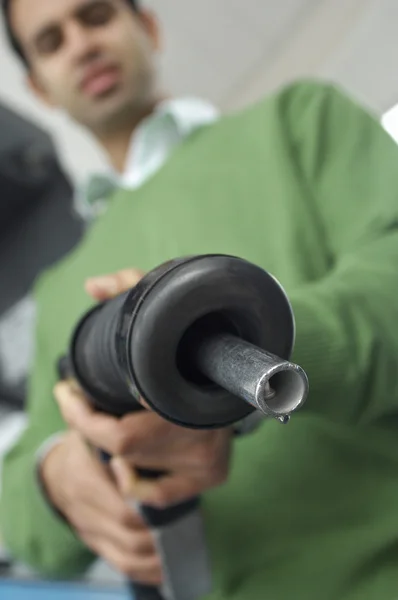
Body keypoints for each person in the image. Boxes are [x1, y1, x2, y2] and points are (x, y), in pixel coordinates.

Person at [2, 0, 398, 598]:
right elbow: (20, 516)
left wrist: (225, 377)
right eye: (52, 41)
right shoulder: (61, 290)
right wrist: (54, 478)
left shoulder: (297, 120)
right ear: (40, 87)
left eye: (97, 16)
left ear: (149, 27)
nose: (81, 45)